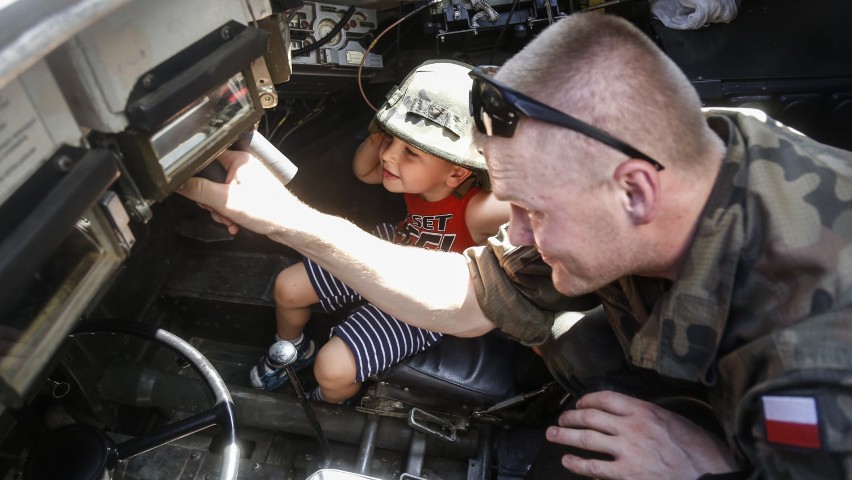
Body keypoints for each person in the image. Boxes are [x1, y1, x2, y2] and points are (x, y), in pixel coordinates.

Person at [178, 12, 852, 480]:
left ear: (636, 192)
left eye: (530, 210)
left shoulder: (815, 370)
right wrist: (284, 219)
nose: (513, 233)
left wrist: (711, 468)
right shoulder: (680, 158)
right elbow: (468, 292)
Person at [248, 60, 510, 404]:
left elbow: (533, 202)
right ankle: (294, 350)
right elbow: (364, 170)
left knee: (332, 369)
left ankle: (331, 403)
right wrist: (386, 127)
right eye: (390, 141)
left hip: (427, 292)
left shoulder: (478, 210)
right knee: (287, 288)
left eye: (410, 152)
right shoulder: (415, 174)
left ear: (458, 174)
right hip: (395, 246)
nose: (387, 156)